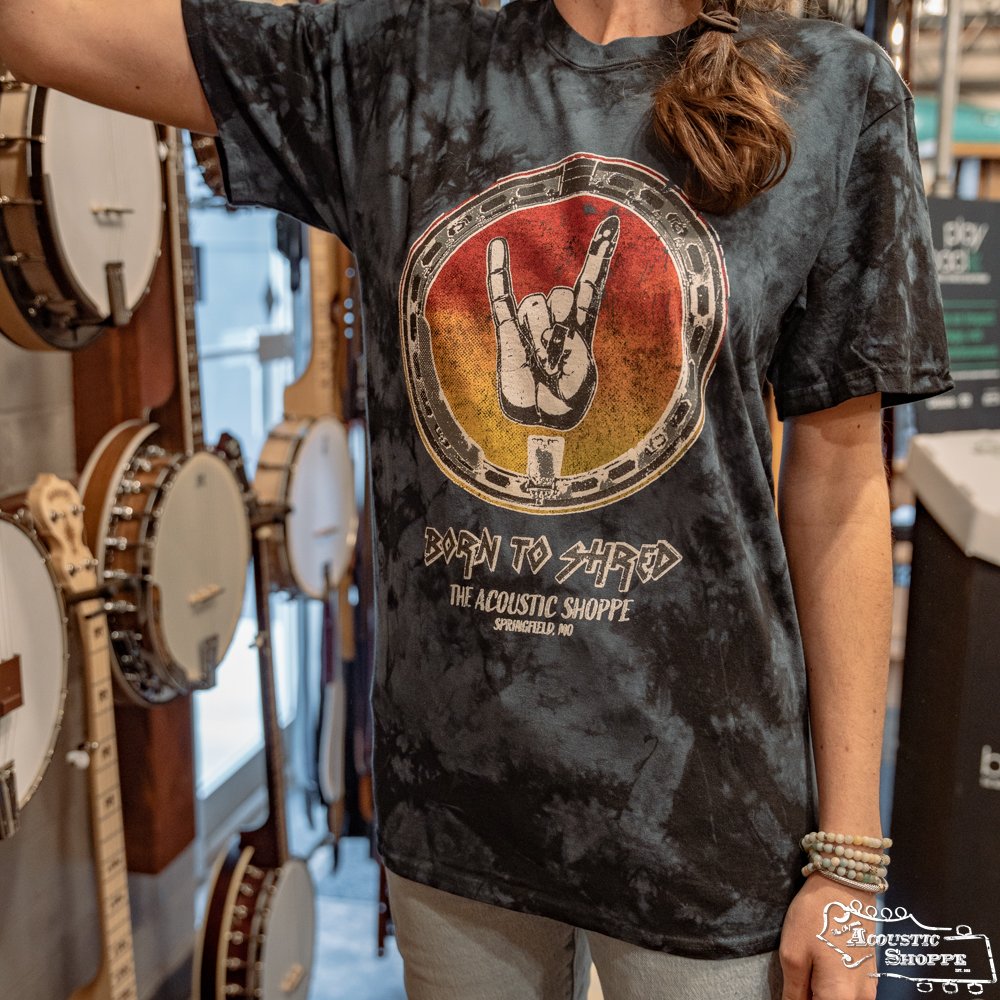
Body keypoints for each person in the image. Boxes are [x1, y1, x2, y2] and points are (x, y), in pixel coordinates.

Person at [2, 0, 952, 997]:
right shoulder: (394, 66)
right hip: (462, 813)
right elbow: (37, 27)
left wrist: (848, 860)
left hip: (703, 820)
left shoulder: (828, 86)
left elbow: (841, 485)